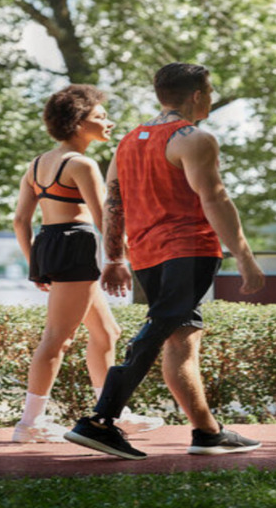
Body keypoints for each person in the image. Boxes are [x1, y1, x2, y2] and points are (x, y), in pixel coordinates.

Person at [64, 63, 265, 459]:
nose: (209, 98)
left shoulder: (128, 141)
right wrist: (244, 256)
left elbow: (114, 202)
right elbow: (215, 198)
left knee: (181, 340)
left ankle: (207, 433)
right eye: (208, 91)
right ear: (197, 95)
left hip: (146, 256)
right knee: (158, 331)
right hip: (188, 251)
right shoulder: (195, 139)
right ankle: (100, 420)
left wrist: (116, 257)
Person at [11, 84, 163, 443]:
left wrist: (36, 264)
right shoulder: (82, 163)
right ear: (78, 123)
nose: (108, 122)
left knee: (106, 333)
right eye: (100, 117)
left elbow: (20, 221)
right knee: (56, 339)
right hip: (75, 246)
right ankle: (30, 423)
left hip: (52, 244)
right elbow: (104, 217)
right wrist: (121, 257)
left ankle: (111, 414)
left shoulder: (37, 164)